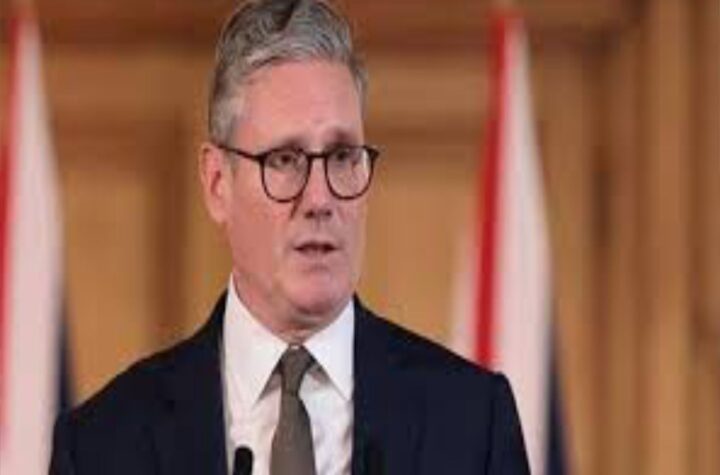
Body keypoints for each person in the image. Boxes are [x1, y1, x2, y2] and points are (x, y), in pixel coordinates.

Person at [49, 1, 529, 474]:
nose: (320, 198)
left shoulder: (472, 424)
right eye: (284, 160)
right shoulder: (102, 447)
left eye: (342, 156)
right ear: (217, 183)